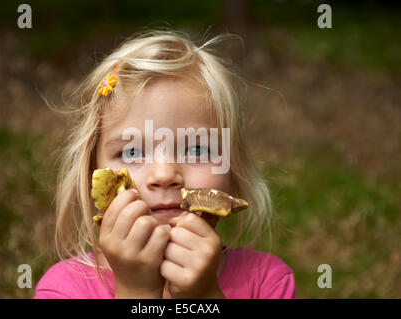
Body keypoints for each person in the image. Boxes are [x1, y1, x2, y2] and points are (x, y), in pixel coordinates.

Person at [34, 30, 296, 299]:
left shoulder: (268, 282)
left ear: (232, 168)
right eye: (133, 151)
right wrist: (138, 291)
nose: (164, 174)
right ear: (92, 174)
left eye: (196, 149)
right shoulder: (63, 289)